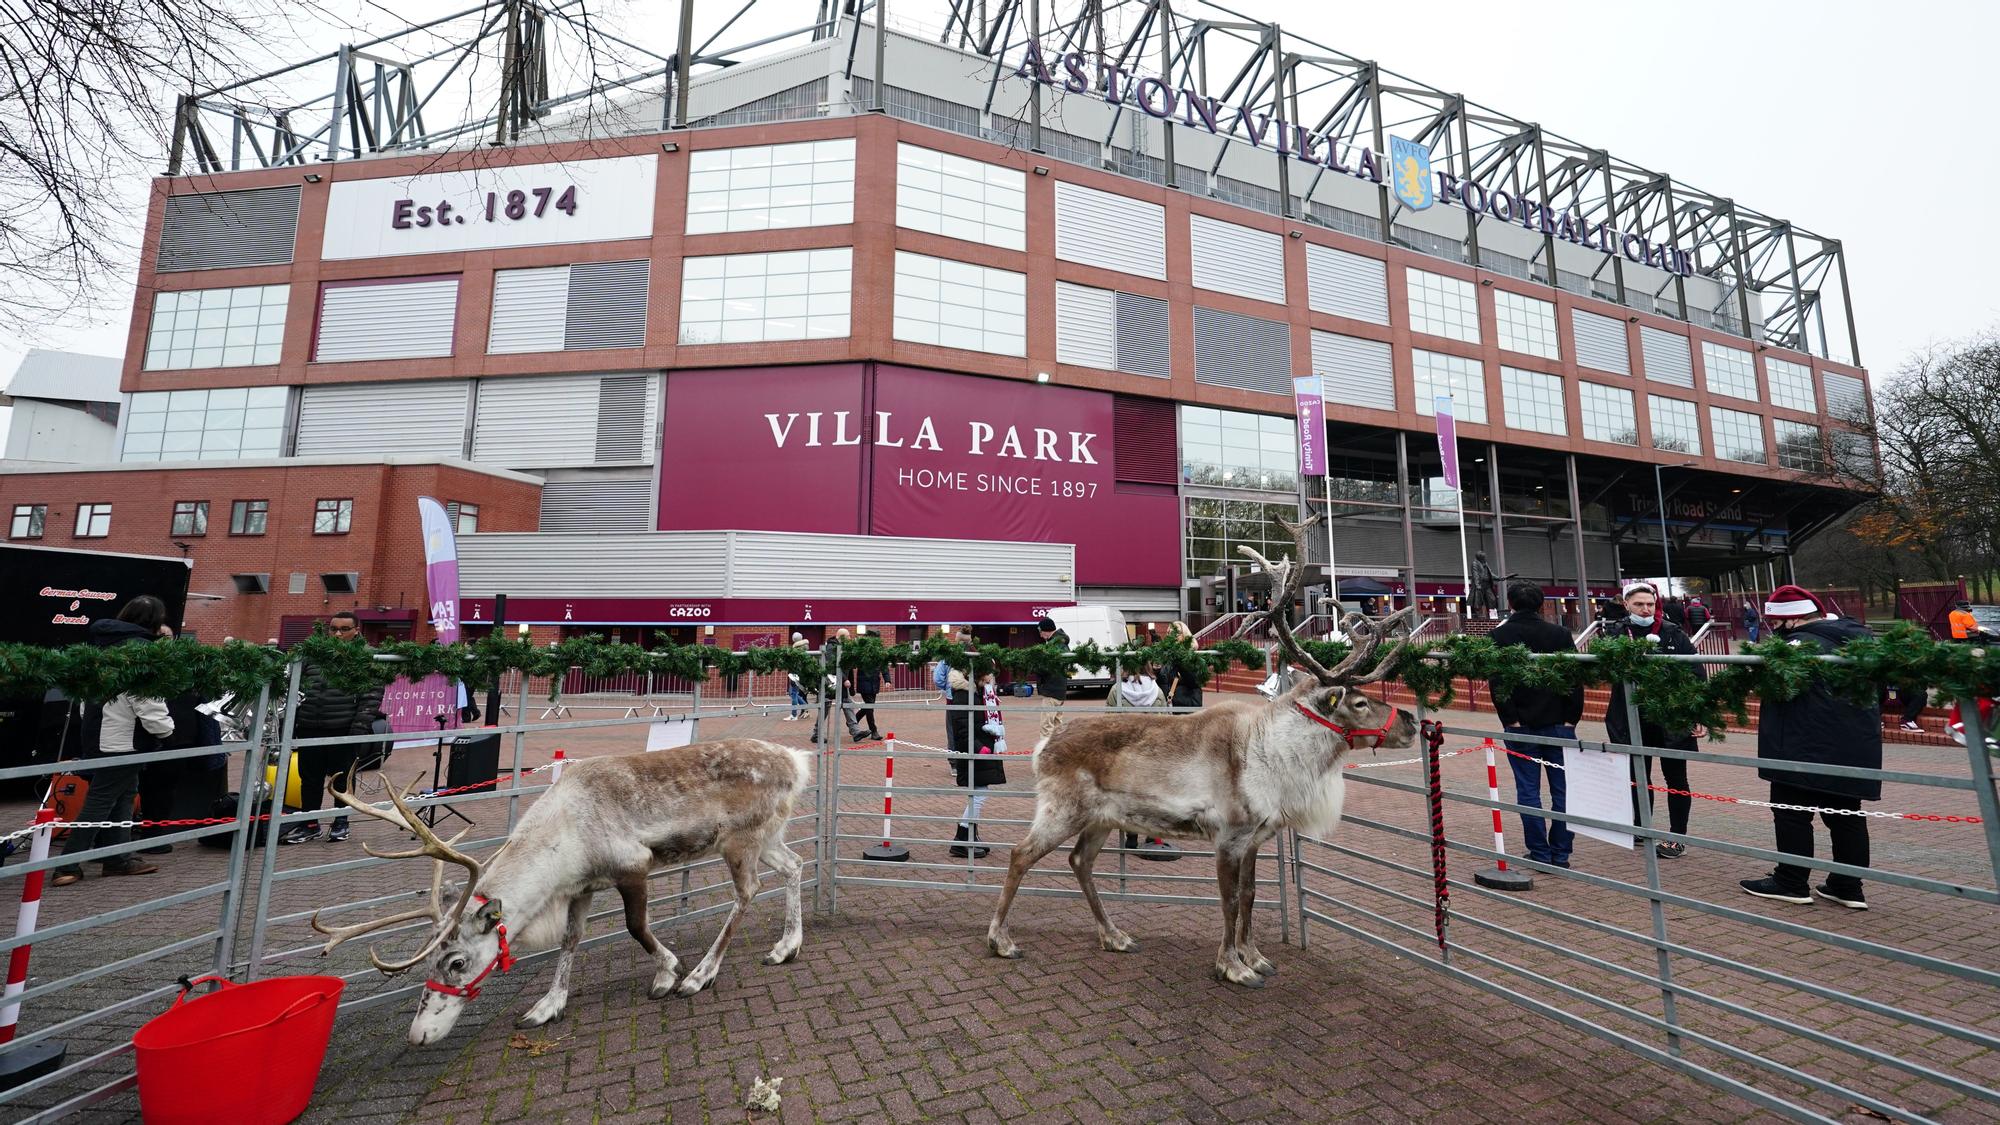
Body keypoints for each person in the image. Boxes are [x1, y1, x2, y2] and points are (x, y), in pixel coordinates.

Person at [1739, 585, 1880, 908]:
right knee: (1846, 816)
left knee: (1791, 813)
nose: (1773, 630)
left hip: (1801, 744)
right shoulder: (1856, 639)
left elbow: (1776, 686)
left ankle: (1791, 881)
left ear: (1794, 619)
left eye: (1776, 624)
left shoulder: (1798, 645)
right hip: (1853, 746)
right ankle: (1847, 885)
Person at [52, 597, 176, 886]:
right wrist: (166, 731)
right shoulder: (141, 651)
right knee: (101, 800)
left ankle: (117, 858)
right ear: (154, 621)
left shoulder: (101, 645)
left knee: (124, 794)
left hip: (98, 733)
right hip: (125, 739)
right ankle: (66, 864)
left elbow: (84, 696)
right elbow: (146, 698)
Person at [1600, 582, 1705, 858]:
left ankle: (1676, 837)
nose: (1645, 609)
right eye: (1639, 604)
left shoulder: (1673, 633)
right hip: (1631, 717)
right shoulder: (1616, 633)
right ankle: (1640, 826)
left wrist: (1697, 715)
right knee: (1637, 777)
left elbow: (1696, 674)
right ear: (1626, 604)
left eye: (1649, 603)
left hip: (1671, 717)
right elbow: (1603, 670)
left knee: (1676, 778)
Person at [1488, 583, 1585, 869]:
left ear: (1511, 603)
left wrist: (1511, 719)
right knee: (1563, 791)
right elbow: (1573, 677)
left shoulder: (1501, 635)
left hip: (1522, 725)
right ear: (1543, 604)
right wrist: (1571, 719)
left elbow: (1498, 681)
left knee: (1528, 791)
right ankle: (1561, 853)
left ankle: (1539, 853)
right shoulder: (1559, 634)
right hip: (1559, 724)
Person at [278, 612, 386, 844]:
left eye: (344, 629)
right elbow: (294, 688)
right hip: (310, 726)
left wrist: (358, 729)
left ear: (356, 630)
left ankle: (340, 821)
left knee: (342, 778)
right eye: (334, 628)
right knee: (309, 779)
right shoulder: (313, 655)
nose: (338, 633)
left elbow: (372, 696)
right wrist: (292, 722)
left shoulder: (365, 657)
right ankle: (310, 823)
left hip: (342, 728)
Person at [944, 666, 1007, 858]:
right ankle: (962, 837)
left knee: (979, 793)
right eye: (989, 673)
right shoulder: (964, 695)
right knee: (978, 794)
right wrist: (979, 747)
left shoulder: (980, 692)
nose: (992, 678)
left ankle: (969, 834)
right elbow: (962, 728)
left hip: (982, 751)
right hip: (976, 752)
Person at [1033, 616, 1069, 703]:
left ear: (1046, 630)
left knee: (1047, 717)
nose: (1040, 635)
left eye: (1040, 632)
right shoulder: (1058, 642)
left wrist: (1035, 667)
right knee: (1056, 717)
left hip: (1052, 691)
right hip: (1057, 689)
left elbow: (1051, 665)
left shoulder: (1057, 644)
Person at [785, 632, 810, 720]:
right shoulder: (804, 647)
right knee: (793, 693)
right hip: (801, 673)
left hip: (796, 673)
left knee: (794, 693)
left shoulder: (796, 649)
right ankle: (805, 707)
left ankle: (794, 715)